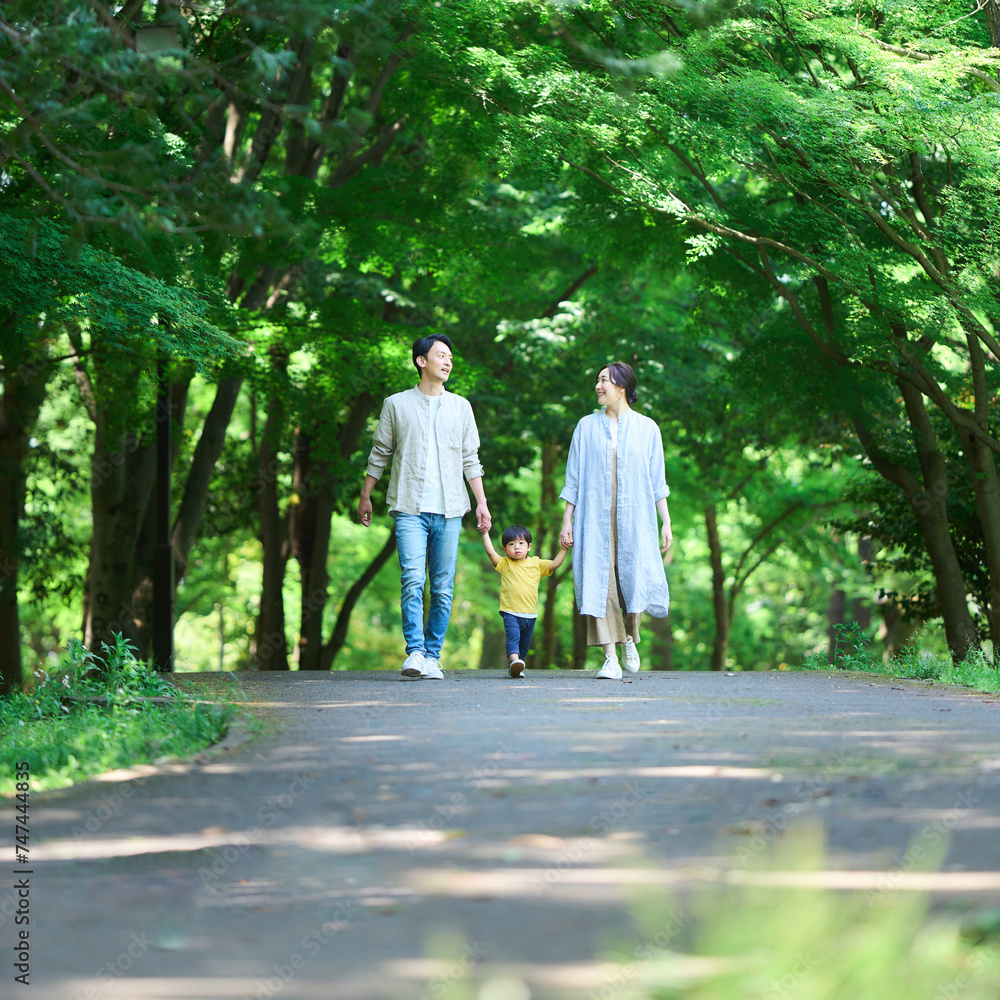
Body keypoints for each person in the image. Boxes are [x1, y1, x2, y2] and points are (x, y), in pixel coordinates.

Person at [358, 335, 491, 679]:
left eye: (450, 356)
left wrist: (481, 503)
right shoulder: (396, 404)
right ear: (421, 361)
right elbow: (380, 452)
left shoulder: (461, 406)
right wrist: (365, 494)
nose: (448, 362)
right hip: (409, 508)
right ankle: (414, 652)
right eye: (440, 355)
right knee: (413, 579)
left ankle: (433, 656)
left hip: (450, 510)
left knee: (443, 587)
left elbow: (470, 458)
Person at [559, 362, 672, 679]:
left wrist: (666, 522)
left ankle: (630, 637)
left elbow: (657, 481)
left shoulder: (648, 428)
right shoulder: (585, 426)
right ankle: (610, 657)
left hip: (635, 520)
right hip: (593, 520)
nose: (598, 385)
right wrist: (566, 520)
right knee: (598, 582)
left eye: (604, 380)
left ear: (622, 387)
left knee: (633, 577)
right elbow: (573, 479)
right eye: (597, 380)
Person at [480, 524, 569, 677]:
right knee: (513, 636)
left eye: (521, 543)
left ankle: (516, 666)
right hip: (510, 612)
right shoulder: (505, 563)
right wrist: (485, 533)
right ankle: (514, 660)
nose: (516, 547)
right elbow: (490, 552)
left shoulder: (536, 563)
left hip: (530, 614)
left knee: (525, 644)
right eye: (511, 544)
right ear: (505, 549)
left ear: (529, 546)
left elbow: (554, 564)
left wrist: (564, 549)